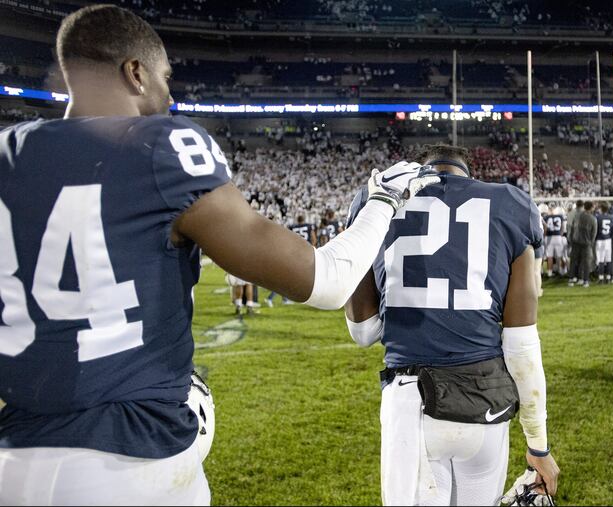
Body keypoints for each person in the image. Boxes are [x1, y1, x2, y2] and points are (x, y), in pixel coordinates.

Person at [0, 5, 439, 505]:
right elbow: (327, 281)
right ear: (135, 73)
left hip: (15, 458)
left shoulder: (7, 154)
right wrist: (383, 202)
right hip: (131, 454)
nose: (169, 95)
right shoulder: (161, 147)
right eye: (166, 78)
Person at [343, 144, 559, 506]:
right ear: (467, 174)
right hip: (486, 404)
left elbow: (363, 331)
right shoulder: (510, 204)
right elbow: (521, 345)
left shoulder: (374, 199)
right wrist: (538, 444)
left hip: (411, 403)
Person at [569, 201, 597, 288]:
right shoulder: (593, 219)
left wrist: (571, 239)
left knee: (574, 261)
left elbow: (572, 228)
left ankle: (571, 279)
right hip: (586, 243)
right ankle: (585, 280)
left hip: (576, 241)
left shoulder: (577, 216)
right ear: (591, 207)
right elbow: (594, 233)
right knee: (586, 262)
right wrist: (591, 242)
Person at [595, 202, 613, 284]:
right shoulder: (611, 218)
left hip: (600, 240)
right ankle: (608, 277)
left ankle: (601, 277)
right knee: (608, 259)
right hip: (608, 239)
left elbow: (595, 230)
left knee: (600, 260)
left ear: (601, 209)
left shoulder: (597, 218)